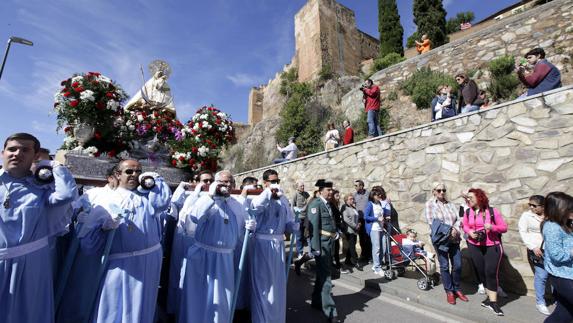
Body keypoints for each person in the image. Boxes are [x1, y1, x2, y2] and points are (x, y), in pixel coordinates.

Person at [76, 159, 170, 323]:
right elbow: (88, 245)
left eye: (138, 171)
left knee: (143, 307)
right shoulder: (106, 200)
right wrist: (104, 228)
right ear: (118, 175)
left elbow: (162, 202)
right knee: (115, 308)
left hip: (149, 262)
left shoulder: (147, 199)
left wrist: (153, 178)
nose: (135, 175)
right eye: (129, 171)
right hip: (121, 266)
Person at [0, 133, 77, 323]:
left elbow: (67, 195)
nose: (17, 153)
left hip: (30, 263)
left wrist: (53, 165)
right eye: (12, 149)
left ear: (35, 157)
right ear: (3, 153)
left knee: (27, 313)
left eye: (25, 150)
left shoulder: (42, 189)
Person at [179, 170, 255, 323]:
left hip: (225, 258)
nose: (226, 185)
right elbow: (193, 218)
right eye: (223, 182)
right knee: (199, 297)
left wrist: (251, 228)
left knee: (222, 299)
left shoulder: (237, 204)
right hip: (203, 256)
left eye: (229, 182)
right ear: (215, 183)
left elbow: (242, 233)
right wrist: (210, 197)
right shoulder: (205, 200)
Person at [248, 169, 298, 323]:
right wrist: (268, 193)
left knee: (277, 285)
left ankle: (277, 318)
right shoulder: (260, 197)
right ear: (265, 183)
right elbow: (254, 208)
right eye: (272, 181)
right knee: (263, 284)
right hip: (262, 244)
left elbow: (288, 221)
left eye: (277, 181)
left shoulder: (283, 200)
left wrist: (293, 226)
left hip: (278, 245)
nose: (276, 184)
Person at [165, 170, 213, 318]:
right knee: (179, 273)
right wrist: (186, 190)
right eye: (205, 181)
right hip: (184, 239)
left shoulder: (213, 197)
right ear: (196, 181)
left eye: (210, 180)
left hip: (202, 241)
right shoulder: (187, 193)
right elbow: (173, 204)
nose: (208, 184)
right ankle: (176, 309)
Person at [462, 188, 508, 316]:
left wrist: (492, 227)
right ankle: (488, 299)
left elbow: (504, 228)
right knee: (482, 272)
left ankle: (493, 303)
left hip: (491, 246)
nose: (468, 199)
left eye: (471, 197)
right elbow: (464, 225)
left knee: (491, 272)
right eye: (467, 198)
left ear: (479, 198)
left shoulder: (492, 211)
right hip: (474, 245)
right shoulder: (467, 212)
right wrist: (469, 232)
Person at [424, 183, 467, 305]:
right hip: (441, 240)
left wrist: (456, 230)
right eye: (439, 190)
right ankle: (449, 291)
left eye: (444, 190)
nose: (442, 192)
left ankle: (457, 288)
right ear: (434, 191)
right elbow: (432, 222)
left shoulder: (451, 204)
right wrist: (450, 230)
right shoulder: (430, 205)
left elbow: (459, 219)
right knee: (444, 266)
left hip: (454, 239)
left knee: (457, 265)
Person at [307, 179, 338, 322]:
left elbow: (329, 223)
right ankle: (330, 311)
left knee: (321, 274)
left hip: (329, 243)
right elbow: (313, 227)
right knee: (327, 278)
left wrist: (335, 232)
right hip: (321, 245)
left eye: (331, 190)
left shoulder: (328, 204)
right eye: (328, 190)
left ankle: (316, 301)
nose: (331, 192)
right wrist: (315, 248)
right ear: (320, 191)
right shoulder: (316, 204)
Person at [541, 192, 573, 323]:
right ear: (559, 209)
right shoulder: (552, 227)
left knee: (565, 313)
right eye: (569, 208)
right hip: (562, 277)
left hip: (569, 274)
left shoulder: (565, 223)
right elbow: (557, 255)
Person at [518, 195, 551, 315]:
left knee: (555, 276)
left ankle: (559, 300)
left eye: (534, 205)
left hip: (552, 249)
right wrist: (533, 246)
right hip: (537, 250)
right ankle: (540, 302)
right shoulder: (526, 216)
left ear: (543, 206)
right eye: (530, 205)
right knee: (541, 276)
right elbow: (523, 232)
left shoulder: (551, 215)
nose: (531, 207)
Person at [363, 186, 391, 275]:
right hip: (374, 228)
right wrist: (376, 219)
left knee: (383, 247)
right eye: (378, 194)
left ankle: (376, 264)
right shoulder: (370, 204)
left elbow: (380, 216)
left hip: (381, 228)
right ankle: (377, 267)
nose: (380, 196)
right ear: (373, 195)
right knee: (377, 248)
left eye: (380, 194)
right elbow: (366, 217)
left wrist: (385, 218)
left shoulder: (379, 203)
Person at [341, 194, 362, 272]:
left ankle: (347, 260)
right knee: (352, 246)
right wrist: (355, 226)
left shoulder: (353, 207)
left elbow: (357, 217)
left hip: (355, 229)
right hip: (349, 230)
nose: (352, 200)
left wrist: (359, 223)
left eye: (352, 199)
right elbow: (346, 219)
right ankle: (356, 262)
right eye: (350, 199)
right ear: (346, 200)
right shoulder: (344, 207)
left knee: (351, 246)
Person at [353, 180, 372, 263]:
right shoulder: (354, 195)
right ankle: (363, 255)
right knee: (361, 238)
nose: (355, 187)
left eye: (356, 185)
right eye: (355, 185)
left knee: (368, 237)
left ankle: (370, 256)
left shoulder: (368, 194)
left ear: (361, 186)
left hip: (367, 219)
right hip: (360, 219)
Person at [291, 181, 310, 258]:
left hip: (306, 217)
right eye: (301, 186)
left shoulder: (306, 194)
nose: (303, 187)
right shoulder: (295, 194)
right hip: (298, 218)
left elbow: (310, 201)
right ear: (297, 187)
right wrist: (294, 218)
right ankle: (300, 252)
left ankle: (310, 252)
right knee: (299, 236)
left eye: (303, 186)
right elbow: (292, 206)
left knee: (307, 235)